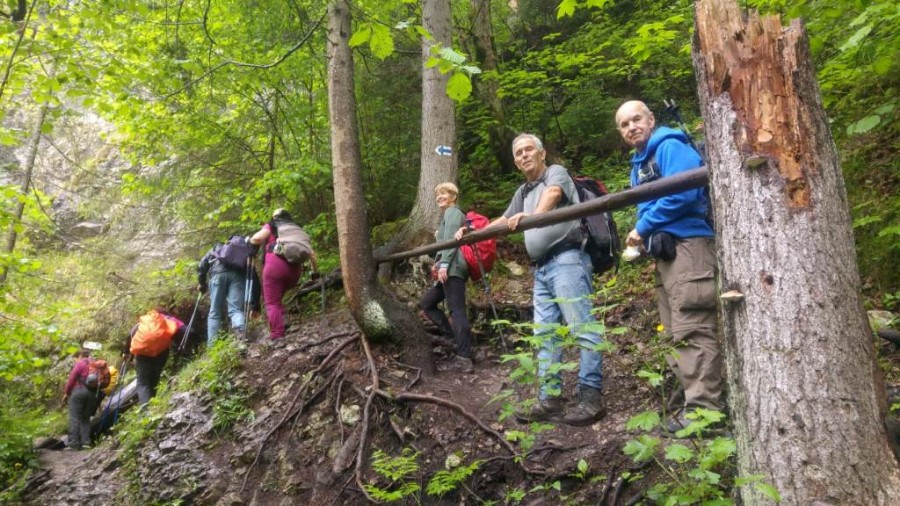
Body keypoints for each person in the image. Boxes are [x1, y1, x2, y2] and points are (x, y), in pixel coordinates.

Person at [457, 133, 605, 426]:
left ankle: (590, 396)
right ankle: (550, 399)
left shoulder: (555, 173)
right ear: (515, 161)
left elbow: (552, 195)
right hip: (542, 268)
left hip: (568, 259)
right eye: (519, 153)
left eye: (528, 150)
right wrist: (471, 232)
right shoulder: (523, 191)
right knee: (545, 333)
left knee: (582, 327)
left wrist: (530, 219)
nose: (524, 155)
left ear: (542, 153)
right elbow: (502, 220)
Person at [615, 100, 724, 434]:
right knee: (674, 332)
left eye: (636, 119)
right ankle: (693, 405)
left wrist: (643, 227)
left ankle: (706, 416)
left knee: (692, 327)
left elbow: (684, 191)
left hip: (690, 248)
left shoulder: (668, 145)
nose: (631, 127)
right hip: (668, 254)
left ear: (651, 119)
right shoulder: (641, 162)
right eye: (624, 124)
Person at [419, 183, 475, 373]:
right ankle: (453, 339)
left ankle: (465, 356)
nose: (439, 197)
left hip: (453, 269)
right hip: (446, 270)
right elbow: (445, 242)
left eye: (444, 193)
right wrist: (438, 262)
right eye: (438, 194)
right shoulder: (446, 217)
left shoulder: (452, 213)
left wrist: (444, 264)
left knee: (457, 311)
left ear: (453, 196)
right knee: (427, 303)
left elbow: (452, 241)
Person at [249, 209, 319, 343]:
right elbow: (312, 255)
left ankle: (277, 335)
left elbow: (257, 238)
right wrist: (315, 273)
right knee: (277, 299)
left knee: (272, 302)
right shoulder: (297, 229)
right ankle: (283, 322)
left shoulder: (272, 225)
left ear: (275, 217)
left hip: (275, 268)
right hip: (295, 272)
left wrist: (250, 242)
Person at [197, 236, 251, 345]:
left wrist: (202, 284)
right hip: (237, 276)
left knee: (215, 312)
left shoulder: (214, 249)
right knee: (236, 309)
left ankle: (213, 346)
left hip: (217, 276)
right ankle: (240, 334)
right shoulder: (237, 250)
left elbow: (202, 266)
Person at [126, 310, 185, 406]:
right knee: (154, 379)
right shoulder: (165, 321)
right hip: (161, 354)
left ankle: (146, 409)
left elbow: (131, 334)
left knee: (143, 382)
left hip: (142, 354)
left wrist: (128, 354)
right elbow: (176, 332)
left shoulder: (144, 322)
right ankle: (152, 405)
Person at [62, 349, 97, 450]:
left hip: (79, 391)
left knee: (75, 417)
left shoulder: (81, 363)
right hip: (91, 394)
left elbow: (72, 378)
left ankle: (73, 443)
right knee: (86, 419)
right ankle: (86, 442)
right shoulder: (94, 364)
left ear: (80, 356)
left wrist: (67, 393)